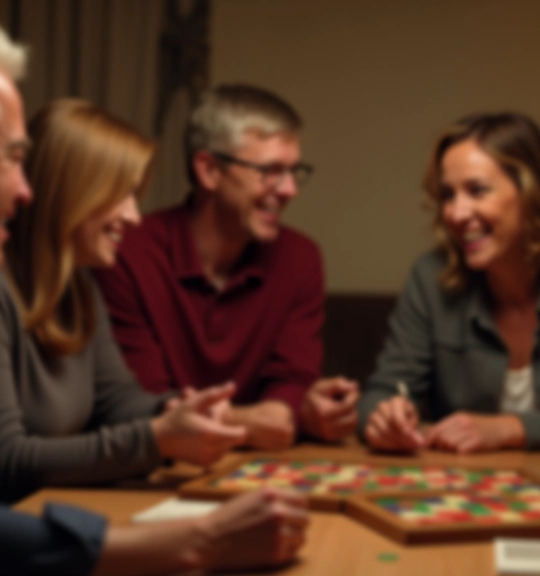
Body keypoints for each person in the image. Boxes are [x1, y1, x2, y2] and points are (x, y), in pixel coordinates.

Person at [0, 3, 306, 574]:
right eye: (12, 158)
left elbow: (114, 405)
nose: (25, 191)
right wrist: (195, 541)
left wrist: (178, 417)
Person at [0, 99, 247, 503]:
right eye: (120, 195)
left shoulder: (80, 282)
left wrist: (178, 412)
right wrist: (155, 440)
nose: (134, 217)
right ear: (70, 193)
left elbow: (117, 400)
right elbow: (0, 461)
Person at [359, 112, 540, 453]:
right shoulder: (429, 277)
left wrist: (508, 429)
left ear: (531, 192)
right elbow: (379, 394)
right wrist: (384, 419)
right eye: (448, 195)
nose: (456, 213)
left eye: (477, 190)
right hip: (455, 492)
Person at [94, 84, 358, 448]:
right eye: (271, 171)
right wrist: (254, 419)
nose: (290, 190)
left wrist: (294, 410)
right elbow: (142, 405)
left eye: (295, 171)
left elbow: (291, 389)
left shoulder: (300, 258)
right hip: (152, 472)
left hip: (259, 471)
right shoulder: (128, 253)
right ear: (209, 170)